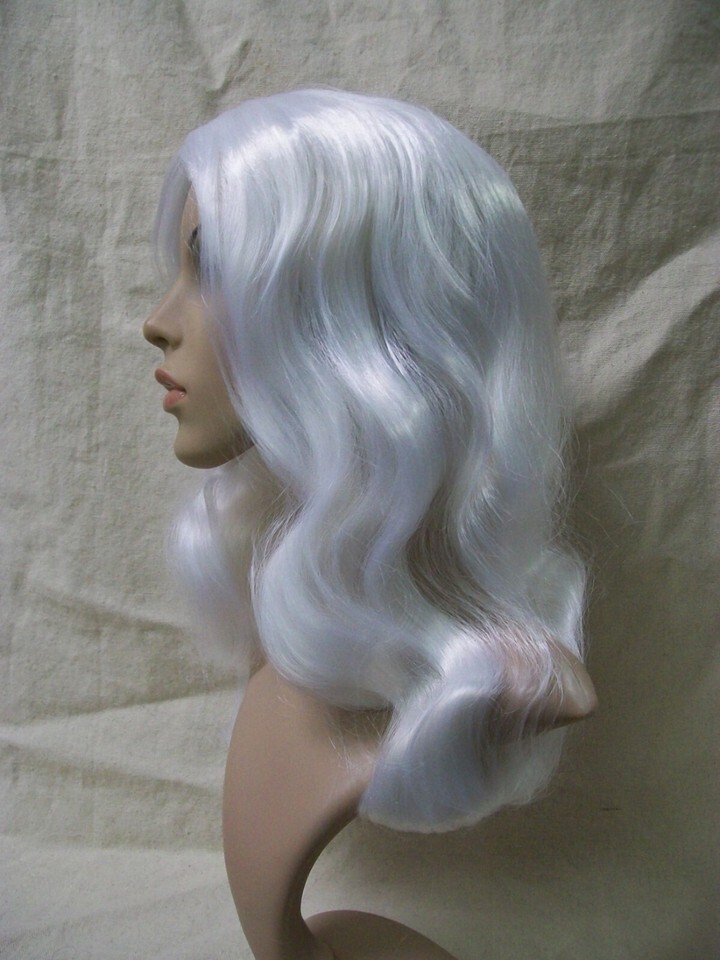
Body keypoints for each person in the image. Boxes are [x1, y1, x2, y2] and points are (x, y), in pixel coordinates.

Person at [143, 89, 596, 960]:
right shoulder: (290, 633)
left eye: (213, 271)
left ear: (354, 332)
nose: (158, 322)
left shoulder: (508, 677)